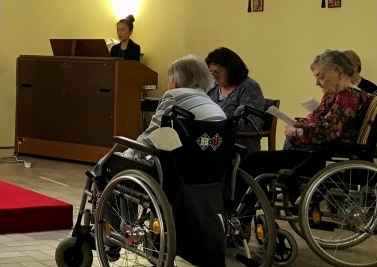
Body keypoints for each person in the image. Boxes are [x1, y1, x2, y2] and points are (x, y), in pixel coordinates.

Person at [241, 50, 373, 181]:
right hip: (319, 153)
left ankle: (250, 200)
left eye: (321, 77)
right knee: (256, 159)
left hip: (327, 156)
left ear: (339, 72)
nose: (317, 82)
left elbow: (327, 132)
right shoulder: (334, 96)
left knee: (253, 160)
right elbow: (315, 120)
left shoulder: (348, 97)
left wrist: (297, 132)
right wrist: (297, 126)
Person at [94, 54, 226, 181]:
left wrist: (125, 155)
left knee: (107, 163)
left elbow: (150, 137)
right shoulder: (214, 105)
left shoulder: (173, 96)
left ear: (175, 82)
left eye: (169, 80)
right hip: (207, 172)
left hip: (176, 172)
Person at [205, 47, 265, 154]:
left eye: (218, 72)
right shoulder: (212, 88)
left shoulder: (249, 87)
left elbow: (251, 125)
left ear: (231, 69)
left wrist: (218, 123)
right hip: (213, 140)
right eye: (211, 73)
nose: (215, 77)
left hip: (238, 144)